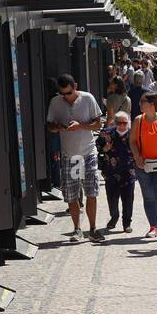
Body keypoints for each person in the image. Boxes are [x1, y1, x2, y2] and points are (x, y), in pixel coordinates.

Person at [45, 73, 105, 243]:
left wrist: (81, 126)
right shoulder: (56, 102)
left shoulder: (88, 99)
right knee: (71, 195)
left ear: (75, 86)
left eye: (68, 93)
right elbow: (49, 124)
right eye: (62, 94)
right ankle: (77, 229)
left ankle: (93, 229)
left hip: (88, 153)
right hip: (69, 155)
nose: (65, 97)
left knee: (91, 192)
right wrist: (56, 128)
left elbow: (98, 124)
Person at [129, 92, 157, 241]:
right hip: (143, 165)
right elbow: (132, 141)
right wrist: (137, 156)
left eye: (142, 102)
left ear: (152, 104)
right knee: (148, 197)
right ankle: (153, 227)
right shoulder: (138, 120)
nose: (139, 104)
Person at [97, 110, 136, 233]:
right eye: (119, 123)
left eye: (124, 123)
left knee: (128, 199)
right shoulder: (106, 133)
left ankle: (127, 223)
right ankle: (114, 217)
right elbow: (98, 147)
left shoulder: (133, 133)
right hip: (110, 172)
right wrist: (104, 148)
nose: (122, 125)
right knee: (112, 199)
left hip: (128, 172)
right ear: (115, 122)